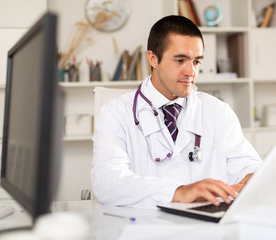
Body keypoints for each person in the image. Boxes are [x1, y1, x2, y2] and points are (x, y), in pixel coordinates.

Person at [91, 15, 262, 208]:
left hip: (205, 228)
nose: (191, 71)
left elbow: (248, 165)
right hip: (143, 228)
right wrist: (178, 192)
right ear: (153, 59)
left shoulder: (217, 111)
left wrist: (253, 176)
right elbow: (107, 182)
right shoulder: (115, 113)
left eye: (196, 61)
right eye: (180, 60)